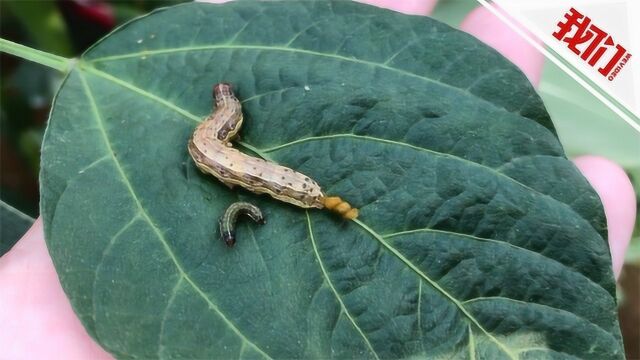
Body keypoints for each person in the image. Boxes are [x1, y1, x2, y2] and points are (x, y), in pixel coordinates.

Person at [0, 1, 635, 359]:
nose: (230, 103)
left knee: (298, 189)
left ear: (226, 119)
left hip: (241, 167)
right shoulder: (226, 147)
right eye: (227, 102)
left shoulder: (226, 146)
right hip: (238, 166)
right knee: (296, 189)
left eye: (226, 102)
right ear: (229, 118)